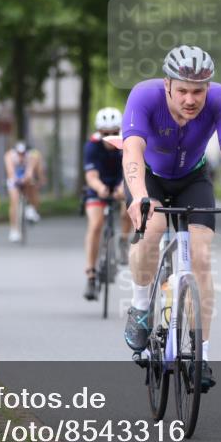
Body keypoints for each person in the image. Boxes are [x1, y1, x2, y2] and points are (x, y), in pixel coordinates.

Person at [121, 44, 221, 393]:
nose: (190, 100)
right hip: (149, 177)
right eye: (182, 91)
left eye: (198, 92)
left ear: (208, 88)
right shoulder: (144, 96)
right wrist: (139, 195)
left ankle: (201, 356)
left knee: (201, 257)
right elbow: (132, 150)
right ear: (167, 84)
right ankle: (140, 305)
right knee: (152, 230)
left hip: (193, 179)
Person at [82, 107, 132, 300]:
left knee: (129, 210)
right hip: (98, 186)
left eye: (114, 132)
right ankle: (91, 274)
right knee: (95, 225)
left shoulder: (127, 143)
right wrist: (100, 187)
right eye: (105, 133)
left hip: (121, 183)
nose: (110, 137)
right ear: (99, 132)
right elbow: (91, 176)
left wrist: (122, 187)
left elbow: (131, 170)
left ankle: (123, 241)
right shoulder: (92, 146)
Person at [4, 141, 44, 242]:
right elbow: (10, 172)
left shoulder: (32, 156)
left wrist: (28, 179)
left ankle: (31, 208)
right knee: (14, 201)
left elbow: (30, 172)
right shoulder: (9, 156)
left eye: (23, 154)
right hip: (14, 177)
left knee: (32, 185)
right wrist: (16, 180)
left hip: (26, 177)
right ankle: (14, 229)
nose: (21, 156)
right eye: (19, 153)